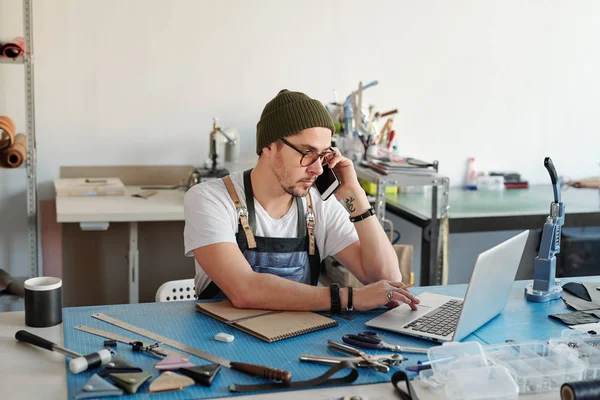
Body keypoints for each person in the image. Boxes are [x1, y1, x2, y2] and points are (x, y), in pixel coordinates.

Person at [183, 89, 419, 313]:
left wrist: (355, 196)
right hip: (220, 343)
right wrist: (350, 298)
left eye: (324, 155)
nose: (317, 169)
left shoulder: (319, 206)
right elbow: (244, 290)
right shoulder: (210, 199)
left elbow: (387, 283)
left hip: (296, 342)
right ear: (268, 146)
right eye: (307, 153)